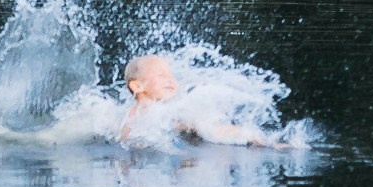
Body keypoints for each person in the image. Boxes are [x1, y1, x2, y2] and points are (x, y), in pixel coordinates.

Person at [118, 53, 289, 147]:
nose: (170, 80)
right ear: (137, 86)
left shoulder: (159, 110)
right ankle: (258, 138)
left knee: (200, 126)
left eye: (171, 75)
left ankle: (256, 138)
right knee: (202, 127)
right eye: (161, 75)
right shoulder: (148, 112)